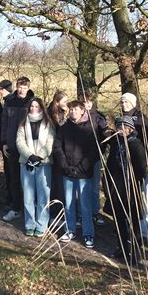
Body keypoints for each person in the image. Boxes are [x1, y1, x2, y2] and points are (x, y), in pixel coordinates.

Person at [52, 100, 98, 248]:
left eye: (76, 110)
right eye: (71, 110)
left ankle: (88, 233)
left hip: (84, 173)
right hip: (67, 172)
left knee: (85, 205)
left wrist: (80, 168)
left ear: (82, 111)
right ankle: (70, 230)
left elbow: (93, 152)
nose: (73, 112)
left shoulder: (89, 128)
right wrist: (66, 167)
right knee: (69, 203)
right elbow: (57, 148)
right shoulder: (64, 128)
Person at [104, 116, 148, 264]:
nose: (120, 129)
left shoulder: (136, 145)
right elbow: (110, 163)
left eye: (124, 127)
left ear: (130, 129)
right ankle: (122, 248)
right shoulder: (117, 143)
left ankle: (135, 252)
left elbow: (142, 169)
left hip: (130, 187)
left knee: (133, 221)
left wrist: (133, 181)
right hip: (117, 186)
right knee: (119, 220)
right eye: (118, 127)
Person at [16, 97, 55, 237]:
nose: (34, 109)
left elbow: (50, 143)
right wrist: (30, 156)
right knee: (28, 196)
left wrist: (39, 157)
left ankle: (42, 224)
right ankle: (30, 224)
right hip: (26, 163)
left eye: (36, 106)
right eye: (31, 106)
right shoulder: (22, 124)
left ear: (41, 108)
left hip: (43, 164)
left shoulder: (48, 124)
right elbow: (19, 142)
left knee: (43, 196)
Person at [119, 92, 148, 244]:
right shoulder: (120, 118)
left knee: (140, 201)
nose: (124, 104)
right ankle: (126, 228)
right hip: (124, 168)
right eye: (122, 102)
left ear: (133, 103)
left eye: (126, 102)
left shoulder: (142, 120)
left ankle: (143, 232)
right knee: (127, 201)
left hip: (139, 166)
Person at [0, 76, 35, 222]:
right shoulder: (9, 101)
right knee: (13, 179)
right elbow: (4, 123)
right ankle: (15, 208)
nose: (21, 90)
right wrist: (4, 142)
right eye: (19, 87)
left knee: (28, 181)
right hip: (11, 147)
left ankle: (31, 210)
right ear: (16, 87)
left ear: (28, 88)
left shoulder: (33, 102)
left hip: (28, 148)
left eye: (24, 87)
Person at [79, 91, 113, 226]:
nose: (86, 105)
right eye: (83, 102)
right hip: (79, 158)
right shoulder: (77, 116)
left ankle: (95, 212)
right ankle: (82, 213)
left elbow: (104, 131)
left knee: (94, 187)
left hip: (95, 157)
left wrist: (108, 134)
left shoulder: (98, 117)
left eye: (88, 102)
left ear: (91, 102)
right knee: (81, 188)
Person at [47, 91, 69, 217]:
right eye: (64, 101)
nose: (66, 104)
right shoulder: (52, 114)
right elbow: (59, 131)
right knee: (56, 183)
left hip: (60, 151)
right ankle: (55, 211)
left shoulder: (60, 113)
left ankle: (59, 210)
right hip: (54, 152)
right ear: (57, 101)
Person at [0, 79, 14, 210]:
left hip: (9, 143)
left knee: (11, 173)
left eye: (0, 89)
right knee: (9, 172)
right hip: (6, 142)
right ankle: (10, 197)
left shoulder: (10, 101)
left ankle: (12, 200)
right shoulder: (7, 101)